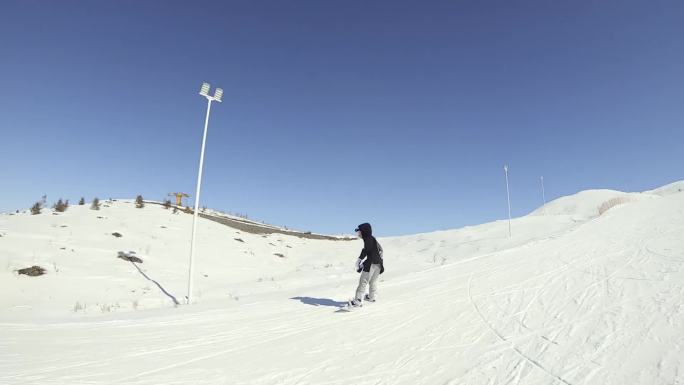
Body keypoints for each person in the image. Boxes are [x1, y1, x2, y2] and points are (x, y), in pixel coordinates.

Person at [350, 222, 384, 307]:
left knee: (363, 281)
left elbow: (366, 250)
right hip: (378, 264)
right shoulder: (373, 239)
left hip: (372, 264)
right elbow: (380, 251)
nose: (358, 233)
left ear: (364, 231)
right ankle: (372, 297)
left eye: (359, 232)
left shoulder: (368, 238)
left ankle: (358, 300)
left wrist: (360, 260)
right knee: (373, 281)